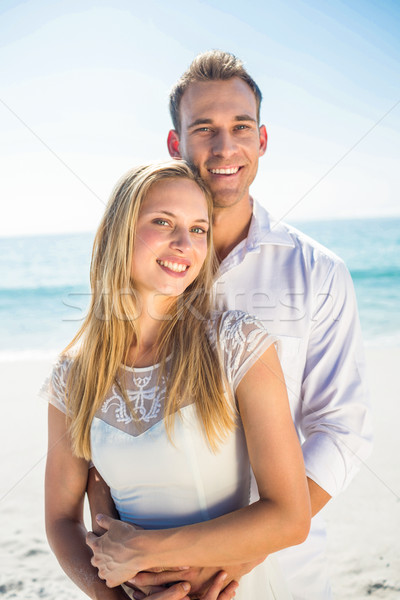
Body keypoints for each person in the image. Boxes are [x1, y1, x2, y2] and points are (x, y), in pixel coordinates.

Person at [87, 51, 373, 599]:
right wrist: (125, 560)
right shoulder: (142, 268)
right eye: (204, 130)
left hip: (283, 568)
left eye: (241, 127)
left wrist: (241, 550)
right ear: (176, 144)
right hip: (155, 579)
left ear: (262, 140)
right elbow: (103, 421)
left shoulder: (318, 272)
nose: (224, 148)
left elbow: (342, 429)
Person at [43, 160, 311, 600]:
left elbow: (290, 517)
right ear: (120, 231)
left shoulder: (235, 342)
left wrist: (143, 551)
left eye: (199, 229)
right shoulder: (73, 376)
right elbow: (60, 519)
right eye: (162, 221)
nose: (184, 243)